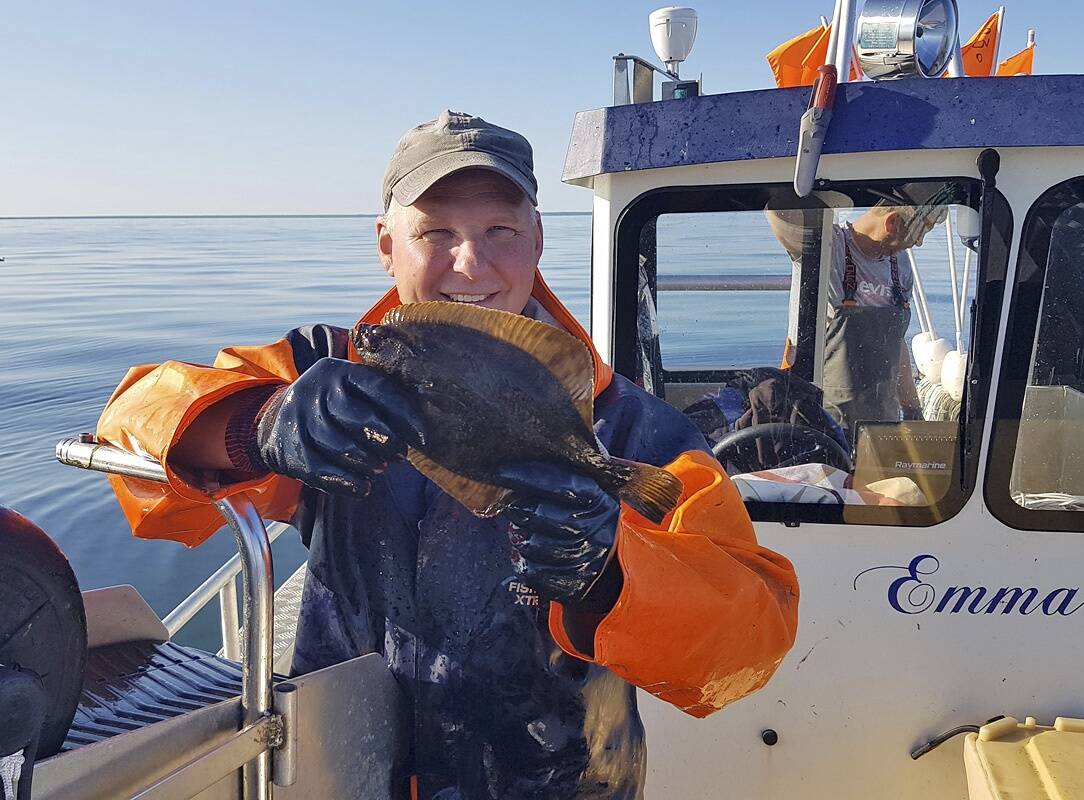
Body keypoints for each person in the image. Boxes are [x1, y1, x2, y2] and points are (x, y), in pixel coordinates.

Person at [96, 111, 799, 800]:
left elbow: (750, 644)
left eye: (499, 230)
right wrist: (254, 426)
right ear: (385, 243)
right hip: (342, 769)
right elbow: (128, 431)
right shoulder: (327, 376)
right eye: (436, 232)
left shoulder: (630, 427)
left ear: (537, 240)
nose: (471, 263)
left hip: (567, 780)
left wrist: (614, 576)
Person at [768, 201, 943, 438]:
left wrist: (912, 409)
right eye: (920, 231)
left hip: (881, 422)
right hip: (822, 421)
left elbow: (896, 342)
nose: (919, 242)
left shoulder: (900, 264)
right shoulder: (829, 247)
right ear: (892, 223)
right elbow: (778, 211)